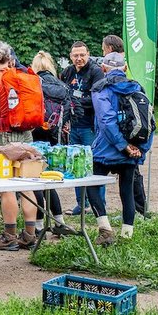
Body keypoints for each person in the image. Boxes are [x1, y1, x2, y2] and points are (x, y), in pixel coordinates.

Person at [87, 52, 153, 246]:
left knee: (91, 186)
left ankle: (105, 229)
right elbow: (150, 120)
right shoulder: (137, 87)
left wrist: (123, 146)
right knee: (126, 190)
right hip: (133, 148)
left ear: (103, 68)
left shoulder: (100, 88)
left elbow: (106, 121)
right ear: (125, 68)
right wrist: (140, 149)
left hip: (105, 149)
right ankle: (127, 236)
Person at [0, 41, 40, 252]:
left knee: (6, 187)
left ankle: (9, 236)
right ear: (10, 59)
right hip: (25, 134)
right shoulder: (21, 76)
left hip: (5, 136)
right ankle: (30, 235)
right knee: (26, 185)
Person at [29, 51, 77, 237]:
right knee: (50, 179)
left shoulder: (32, 83)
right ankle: (59, 221)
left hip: (34, 134)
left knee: (34, 181)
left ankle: (39, 225)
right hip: (54, 137)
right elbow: (70, 111)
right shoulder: (62, 86)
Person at [101, 34, 146, 215]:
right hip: (133, 134)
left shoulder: (110, 74)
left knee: (130, 178)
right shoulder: (130, 75)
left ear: (110, 49)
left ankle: (140, 209)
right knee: (132, 175)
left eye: (104, 49)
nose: (103, 52)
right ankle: (139, 211)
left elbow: (107, 117)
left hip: (120, 134)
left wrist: (123, 145)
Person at [60, 41, 106, 215]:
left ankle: (99, 206)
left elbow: (97, 99)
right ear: (71, 56)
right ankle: (82, 204)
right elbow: (63, 95)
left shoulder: (96, 72)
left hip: (90, 127)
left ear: (88, 54)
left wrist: (75, 101)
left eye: (82, 55)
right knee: (75, 166)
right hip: (73, 127)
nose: (79, 58)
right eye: (75, 55)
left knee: (93, 167)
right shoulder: (68, 72)